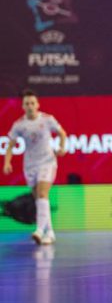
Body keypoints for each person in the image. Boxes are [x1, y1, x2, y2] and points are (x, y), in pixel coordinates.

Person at [3, 90, 67, 245]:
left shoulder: (47, 119)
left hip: (47, 161)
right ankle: (50, 232)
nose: (30, 106)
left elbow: (62, 133)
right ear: (23, 106)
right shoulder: (19, 124)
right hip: (30, 165)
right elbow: (10, 145)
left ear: (37, 104)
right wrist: (7, 162)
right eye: (27, 104)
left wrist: (62, 147)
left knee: (42, 193)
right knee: (39, 199)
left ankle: (39, 230)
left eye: (33, 103)